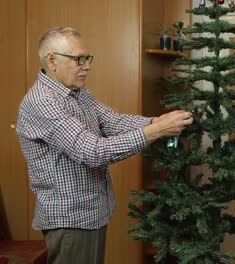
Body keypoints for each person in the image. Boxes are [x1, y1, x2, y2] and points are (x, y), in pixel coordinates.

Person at [15, 27, 193, 264]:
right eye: (79, 59)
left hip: (91, 212)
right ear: (51, 60)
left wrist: (156, 121)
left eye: (88, 58)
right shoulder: (43, 102)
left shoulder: (77, 92)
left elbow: (112, 121)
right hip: (70, 218)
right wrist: (156, 130)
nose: (87, 66)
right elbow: (92, 152)